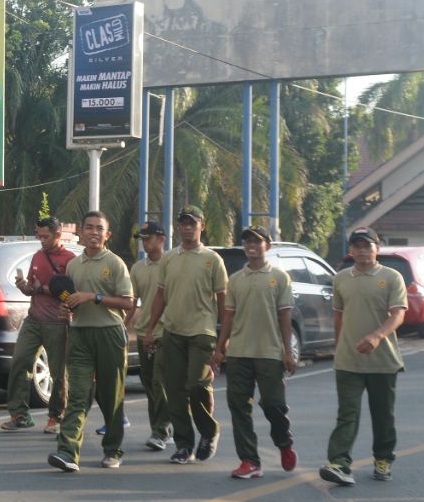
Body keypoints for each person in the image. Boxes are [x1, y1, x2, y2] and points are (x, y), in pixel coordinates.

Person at [319, 226, 406, 486]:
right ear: (350, 250)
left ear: (376, 248)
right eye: (357, 246)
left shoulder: (391, 277)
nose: (362, 251)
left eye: (367, 245)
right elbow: (339, 316)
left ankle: (383, 459)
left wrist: (377, 336)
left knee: (383, 415)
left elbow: (398, 315)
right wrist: (338, 348)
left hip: (383, 361)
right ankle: (340, 463)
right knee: (347, 414)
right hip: (348, 362)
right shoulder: (342, 278)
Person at [47, 210, 134, 471]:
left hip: (109, 333)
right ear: (81, 233)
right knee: (78, 395)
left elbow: (128, 303)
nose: (94, 232)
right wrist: (67, 308)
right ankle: (67, 453)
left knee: (110, 396)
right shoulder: (73, 265)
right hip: (80, 334)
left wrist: (92, 297)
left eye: (99, 228)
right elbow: (70, 299)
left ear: (107, 235)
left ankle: (113, 449)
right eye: (89, 227)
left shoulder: (116, 263)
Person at [210, 225, 299, 479]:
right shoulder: (236, 279)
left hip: (270, 352)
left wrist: (287, 351)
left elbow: (285, 315)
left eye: (257, 242)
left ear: (267, 247)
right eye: (247, 241)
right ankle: (250, 460)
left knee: (273, 404)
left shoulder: (280, 277)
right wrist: (220, 347)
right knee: (238, 405)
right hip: (239, 352)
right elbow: (228, 316)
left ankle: (284, 442)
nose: (251, 246)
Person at [144, 205, 228, 465]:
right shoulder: (169, 258)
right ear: (178, 227)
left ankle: (208, 431)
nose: (188, 227)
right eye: (183, 223)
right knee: (174, 391)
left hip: (202, 333)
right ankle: (183, 444)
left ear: (202, 226)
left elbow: (224, 302)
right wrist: (150, 328)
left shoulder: (212, 259)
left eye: (193, 223)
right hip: (173, 332)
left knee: (197, 385)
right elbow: (160, 295)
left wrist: (223, 342)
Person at [5, 216, 74, 434]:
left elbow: (70, 294)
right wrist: (24, 286)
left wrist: (44, 288)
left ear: (58, 235)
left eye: (46, 236)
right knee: (19, 362)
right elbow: (31, 289)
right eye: (39, 235)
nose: (42, 240)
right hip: (33, 319)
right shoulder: (37, 256)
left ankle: (56, 417)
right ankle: (19, 415)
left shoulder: (70, 260)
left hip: (57, 322)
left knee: (58, 372)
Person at [127, 221, 172, 450]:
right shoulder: (137, 268)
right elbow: (132, 301)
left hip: (166, 331)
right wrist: (125, 326)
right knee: (148, 382)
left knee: (159, 381)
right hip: (145, 333)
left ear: (161, 239)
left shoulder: (172, 263)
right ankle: (163, 425)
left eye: (149, 238)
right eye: (143, 239)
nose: (145, 242)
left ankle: (160, 431)